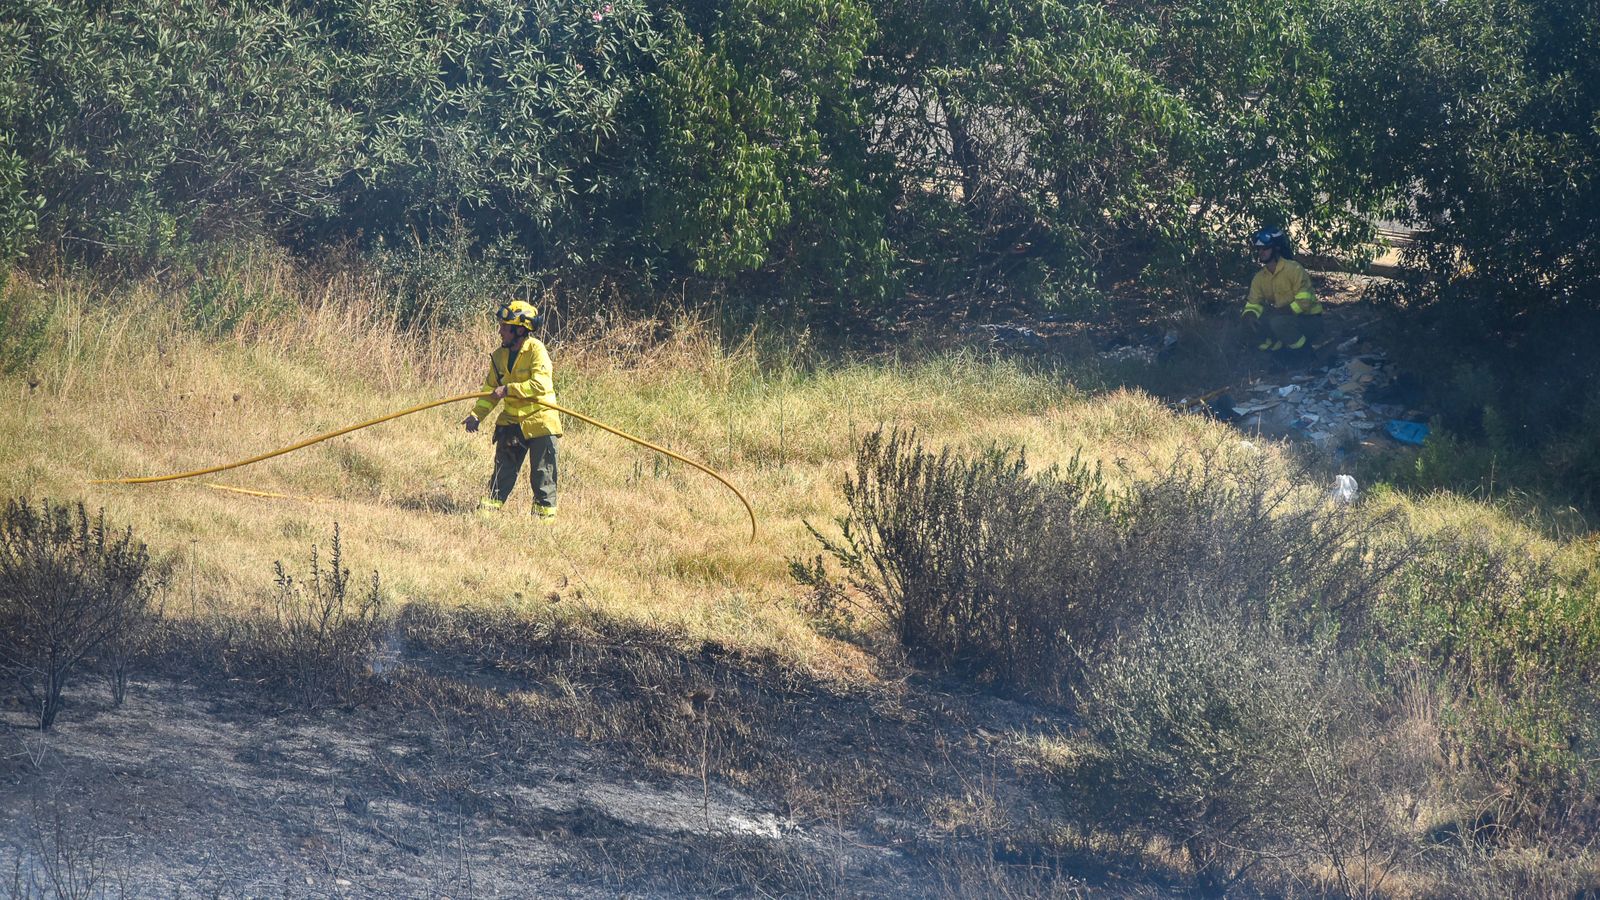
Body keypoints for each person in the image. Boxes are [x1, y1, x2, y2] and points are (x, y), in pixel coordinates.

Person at [462, 300, 562, 520]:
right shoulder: (499, 357)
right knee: (503, 470)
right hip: (511, 421)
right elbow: (490, 390)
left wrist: (508, 389)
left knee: (542, 473)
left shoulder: (536, 350)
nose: (500, 331)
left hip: (541, 421)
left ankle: (543, 520)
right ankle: (487, 514)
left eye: (504, 327)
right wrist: (476, 415)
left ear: (519, 330)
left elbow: (540, 385)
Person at [1241, 226, 1323, 353]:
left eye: (1265, 248)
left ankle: (1304, 352)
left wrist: (1277, 313)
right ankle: (1278, 353)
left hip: (1310, 320)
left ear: (1276, 248)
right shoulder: (1259, 278)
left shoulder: (1293, 269)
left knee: (1277, 323)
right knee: (1254, 326)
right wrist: (1249, 316)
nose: (1261, 252)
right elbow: (1253, 304)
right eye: (1259, 249)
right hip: (1284, 320)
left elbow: (1305, 302)